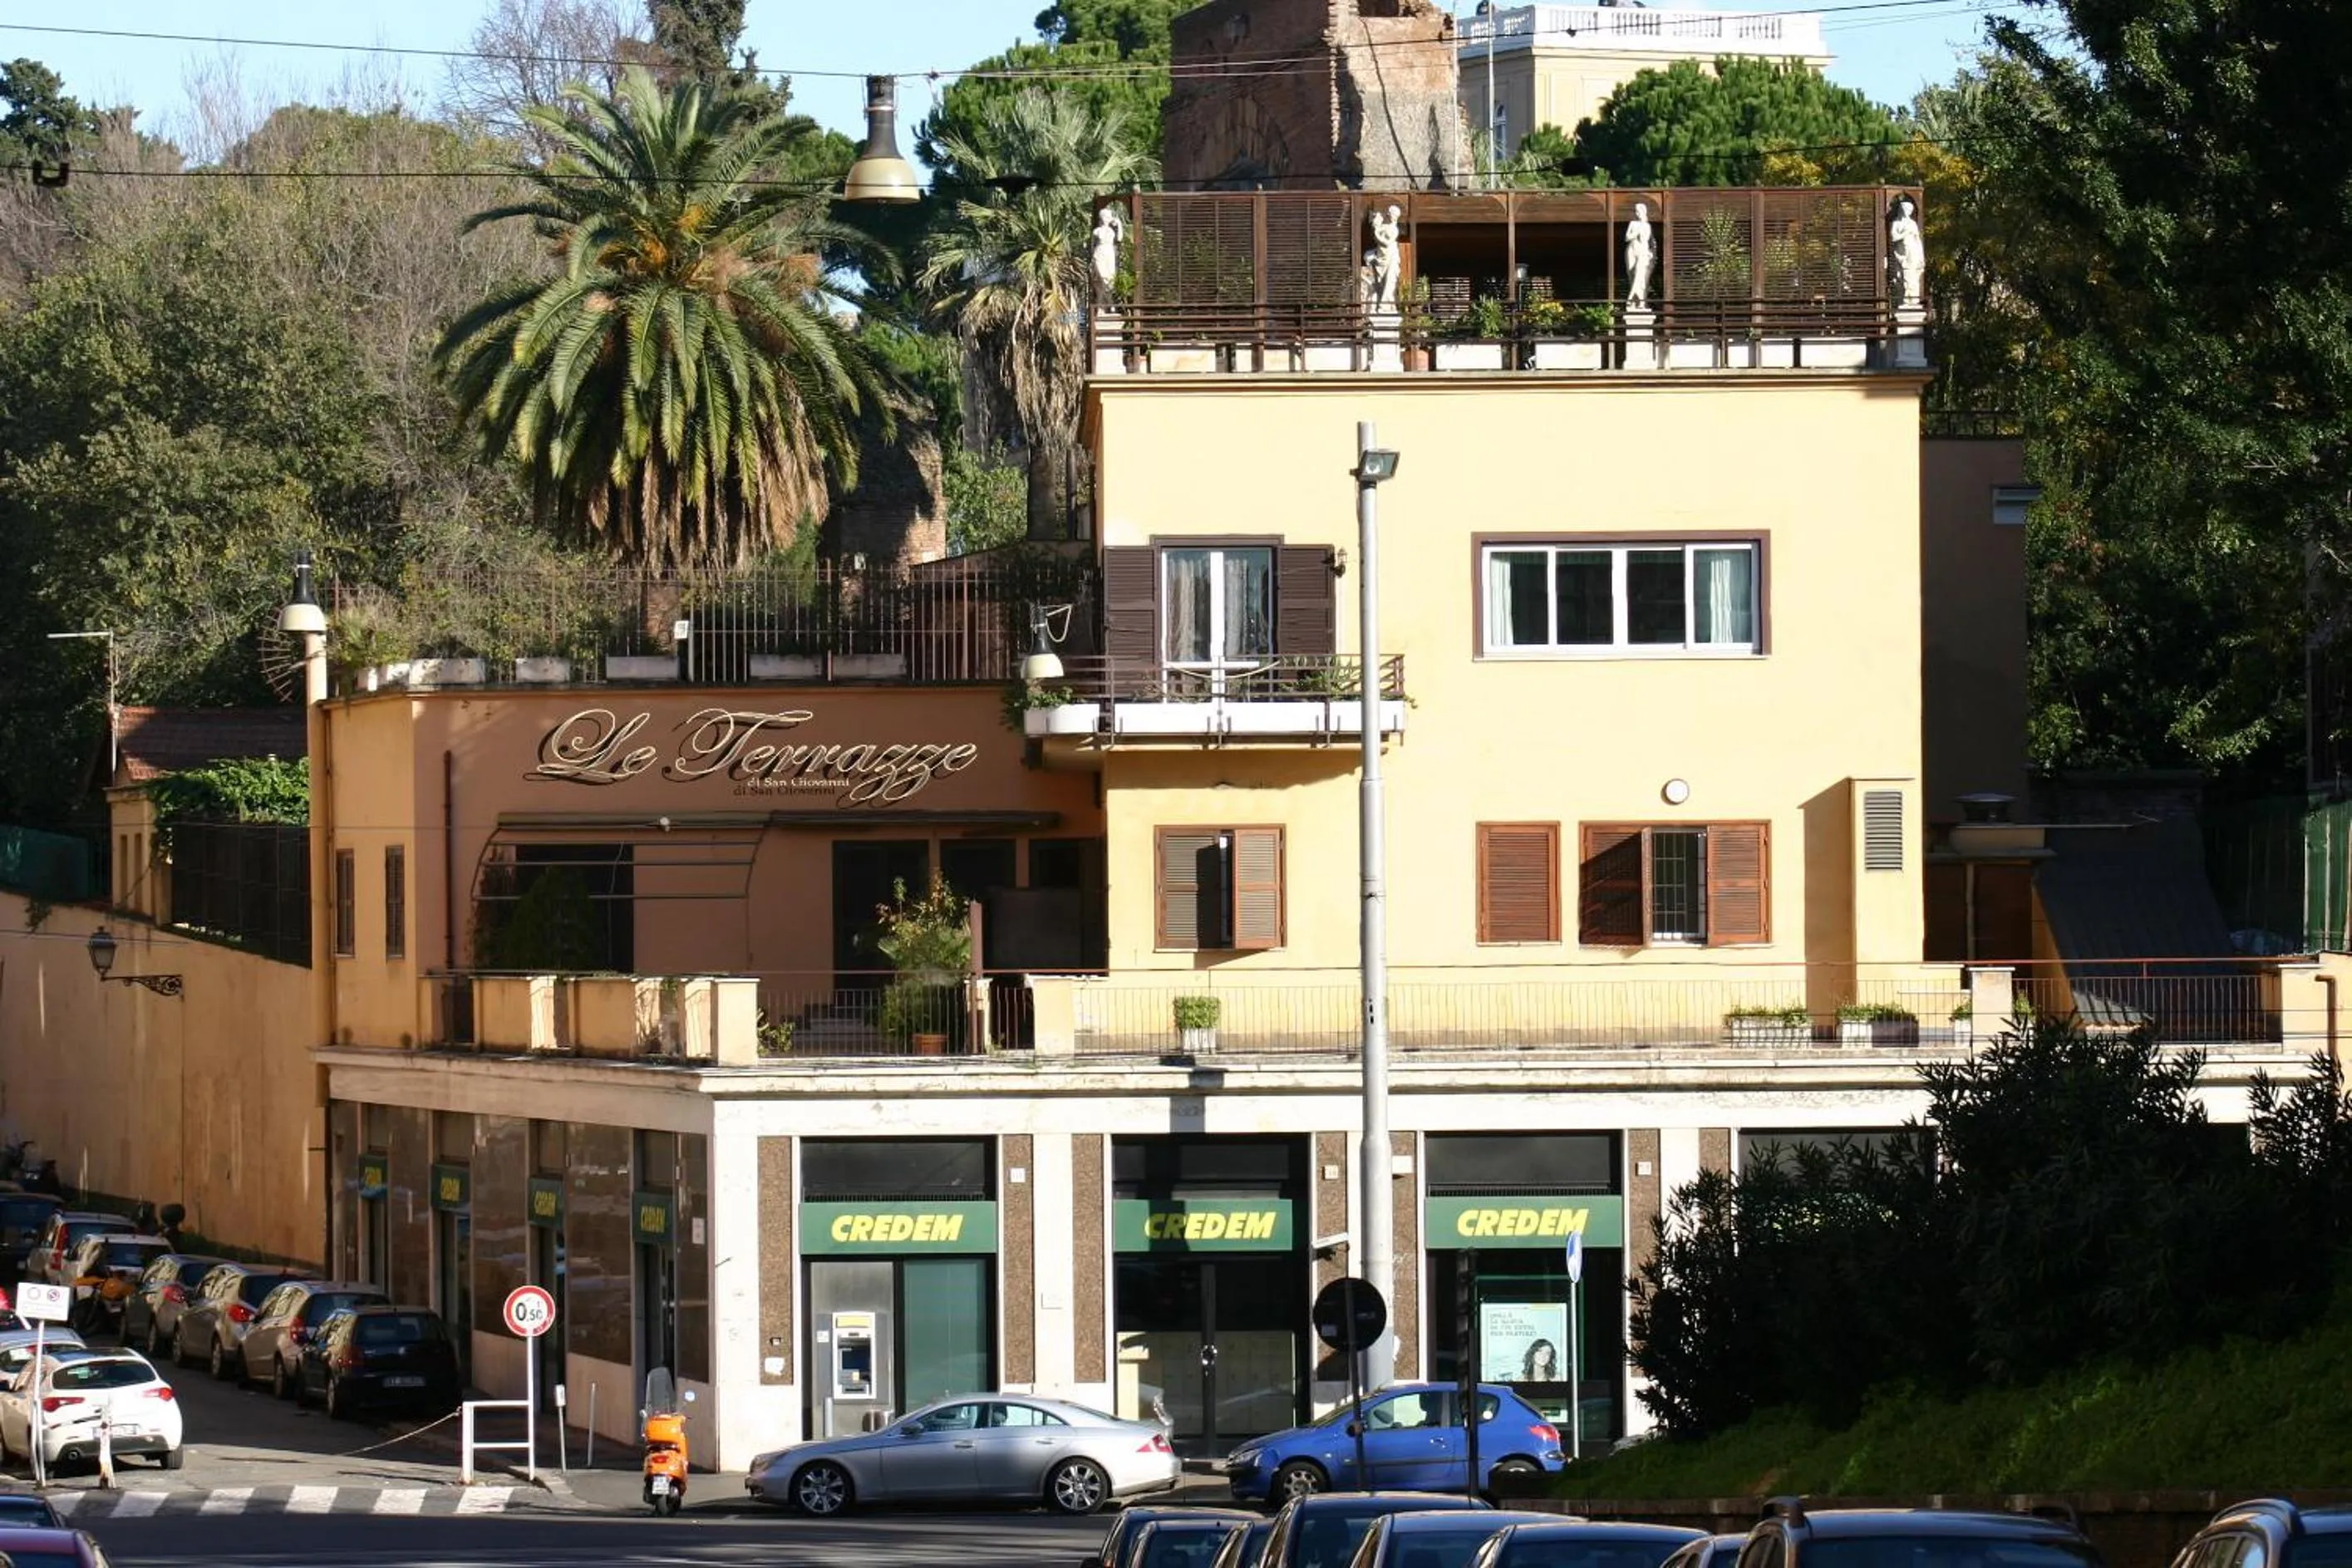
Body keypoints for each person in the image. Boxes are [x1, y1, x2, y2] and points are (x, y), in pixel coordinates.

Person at [1622, 202, 1655, 309]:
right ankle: (1639, 302)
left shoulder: (1647, 225)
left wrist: (1643, 228)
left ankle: (1630, 297)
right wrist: (1636, 232)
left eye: (1639, 211)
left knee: (1639, 274)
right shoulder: (1632, 223)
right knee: (1631, 275)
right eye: (1636, 211)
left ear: (1644, 212)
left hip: (1642, 250)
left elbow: (1645, 240)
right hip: (1631, 250)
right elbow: (1627, 238)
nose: (1637, 213)